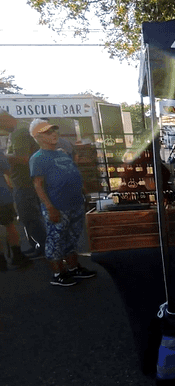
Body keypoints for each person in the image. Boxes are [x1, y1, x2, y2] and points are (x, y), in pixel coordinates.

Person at [28, 119, 96, 287]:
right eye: (48, 132)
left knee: (72, 238)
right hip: (58, 206)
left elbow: (72, 172)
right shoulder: (38, 158)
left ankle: (73, 268)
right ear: (38, 137)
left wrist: (83, 192)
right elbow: (37, 185)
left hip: (75, 203)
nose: (54, 134)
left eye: (54, 131)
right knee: (55, 240)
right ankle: (58, 273)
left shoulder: (61, 153)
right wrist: (50, 207)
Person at [6, 122, 48, 258]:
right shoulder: (16, 135)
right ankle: (38, 245)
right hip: (23, 183)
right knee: (28, 217)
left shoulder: (19, 134)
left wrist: (4, 158)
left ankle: (44, 247)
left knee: (29, 216)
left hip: (25, 184)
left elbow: (24, 159)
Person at [0, 151, 33, 271]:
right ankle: (17, 256)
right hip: (2, 195)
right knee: (9, 225)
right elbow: (7, 170)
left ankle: (1, 260)